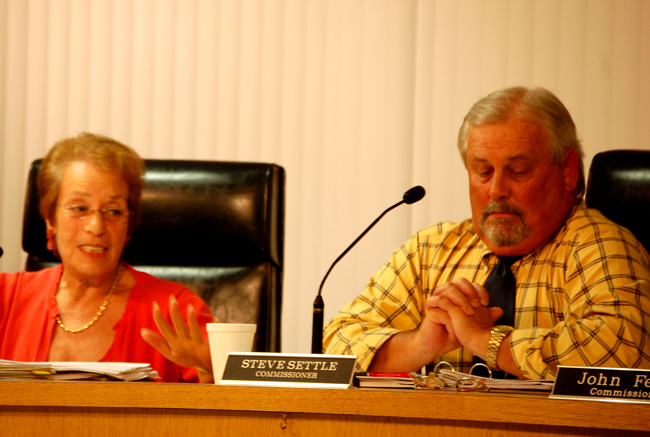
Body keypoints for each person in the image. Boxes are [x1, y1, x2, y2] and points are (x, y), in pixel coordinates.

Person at [322, 86, 650, 380]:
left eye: (518, 171)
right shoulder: (430, 251)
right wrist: (420, 344)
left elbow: (619, 353)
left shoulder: (601, 245)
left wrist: (486, 339)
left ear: (567, 171)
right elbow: (334, 344)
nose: (495, 190)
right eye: (483, 171)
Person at [0, 133, 216, 383]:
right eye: (79, 208)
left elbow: (227, 409)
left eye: (113, 211)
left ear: (129, 226)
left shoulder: (175, 310)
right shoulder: (5, 297)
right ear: (50, 218)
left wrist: (209, 373)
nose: (96, 226)